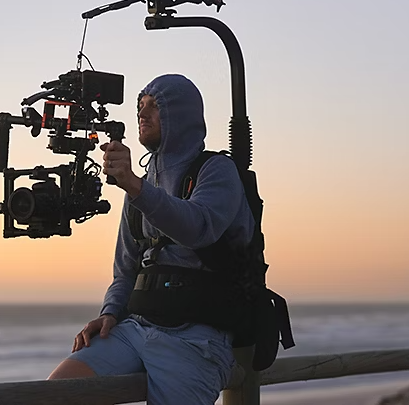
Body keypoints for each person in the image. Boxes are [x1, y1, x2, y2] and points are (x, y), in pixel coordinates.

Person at [48, 73, 256, 405]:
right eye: (140, 106)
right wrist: (110, 313)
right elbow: (125, 269)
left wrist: (134, 185)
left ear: (181, 115)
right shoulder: (139, 187)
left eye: (155, 106)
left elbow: (199, 228)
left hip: (195, 338)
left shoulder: (217, 171)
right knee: (52, 395)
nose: (142, 114)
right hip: (134, 329)